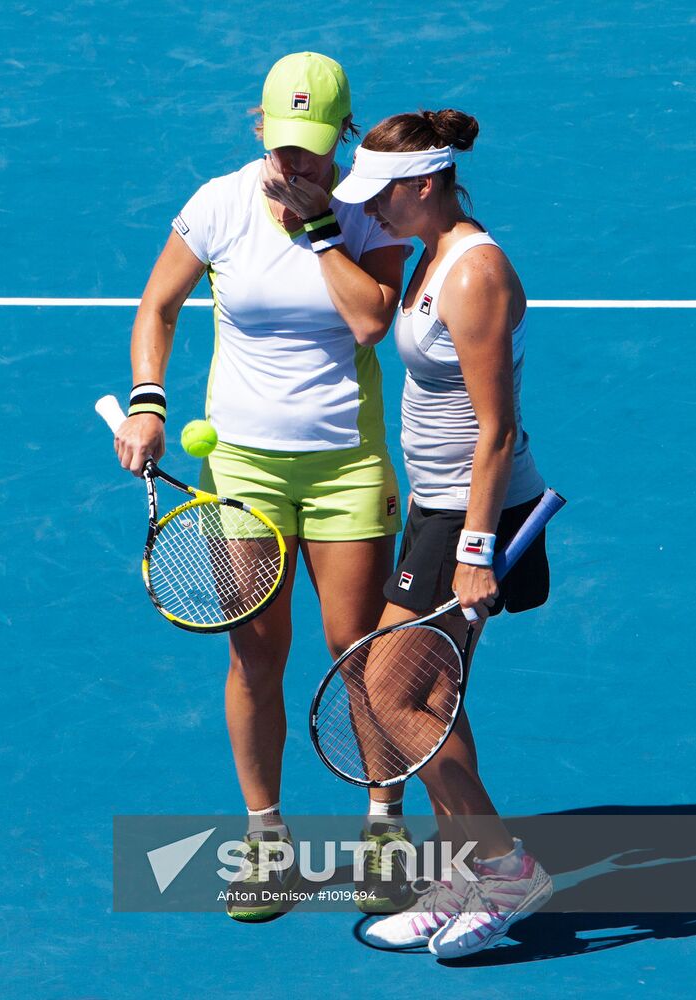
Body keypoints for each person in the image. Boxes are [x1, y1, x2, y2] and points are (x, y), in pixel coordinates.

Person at [111, 52, 413, 921]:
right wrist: (147, 403)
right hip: (241, 467)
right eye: (281, 146)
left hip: (345, 468)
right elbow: (157, 307)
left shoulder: (367, 212)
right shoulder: (220, 202)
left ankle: (384, 830)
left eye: (313, 149)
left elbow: (369, 321)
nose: (295, 165)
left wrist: (321, 229)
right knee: (255, 652)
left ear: (344, 137)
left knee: (361, 654)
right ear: (258, 129)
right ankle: (266, 839)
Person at [332, 109, 554, 956]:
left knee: (386, 691)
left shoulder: (473, 274)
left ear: (425, 185)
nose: (372, 211)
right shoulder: (431, 252)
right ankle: (463, 871)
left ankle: (503, 867)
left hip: (475, 514)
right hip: (435, 507)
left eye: (383, 194)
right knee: (421, 696)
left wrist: (471, 551)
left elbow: (494, 429)